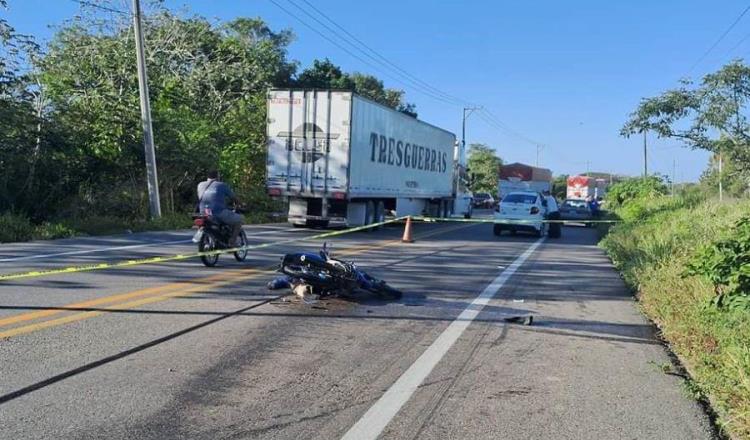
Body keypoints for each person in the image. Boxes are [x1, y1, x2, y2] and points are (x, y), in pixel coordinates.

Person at [197, 170, 244, 246]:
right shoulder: (221, 185)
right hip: (218, 212)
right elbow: (233, 197)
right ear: (217, 176)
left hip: (203, 213)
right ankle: (232, 241)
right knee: (239, 219)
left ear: (207, 177)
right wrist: (241, 204)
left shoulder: (200, 185)